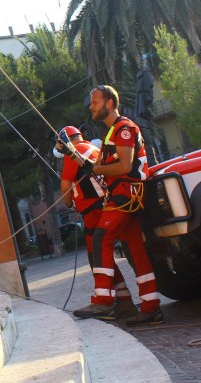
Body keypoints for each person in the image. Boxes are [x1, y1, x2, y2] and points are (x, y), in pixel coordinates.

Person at [72, 85, 164, 326]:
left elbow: (124, 167)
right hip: (120, 193)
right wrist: (78, 159)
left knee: (102, 238)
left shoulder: (124, 129)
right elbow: (99, 166)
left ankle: (103, 302)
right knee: (135, 250)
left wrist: (95, 169)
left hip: (126, 194)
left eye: (95, 102)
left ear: (109, 103)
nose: (90, 106)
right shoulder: (111, 133)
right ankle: (151, 306)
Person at [56, 125, 137, 320]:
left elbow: (66, 185)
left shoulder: (73, 153)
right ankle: (124, 299)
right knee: (106, 254)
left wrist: (69, 205)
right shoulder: (93, 149)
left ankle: (104, 302)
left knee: (97, 256)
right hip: (107, 203)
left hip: (93, 209)